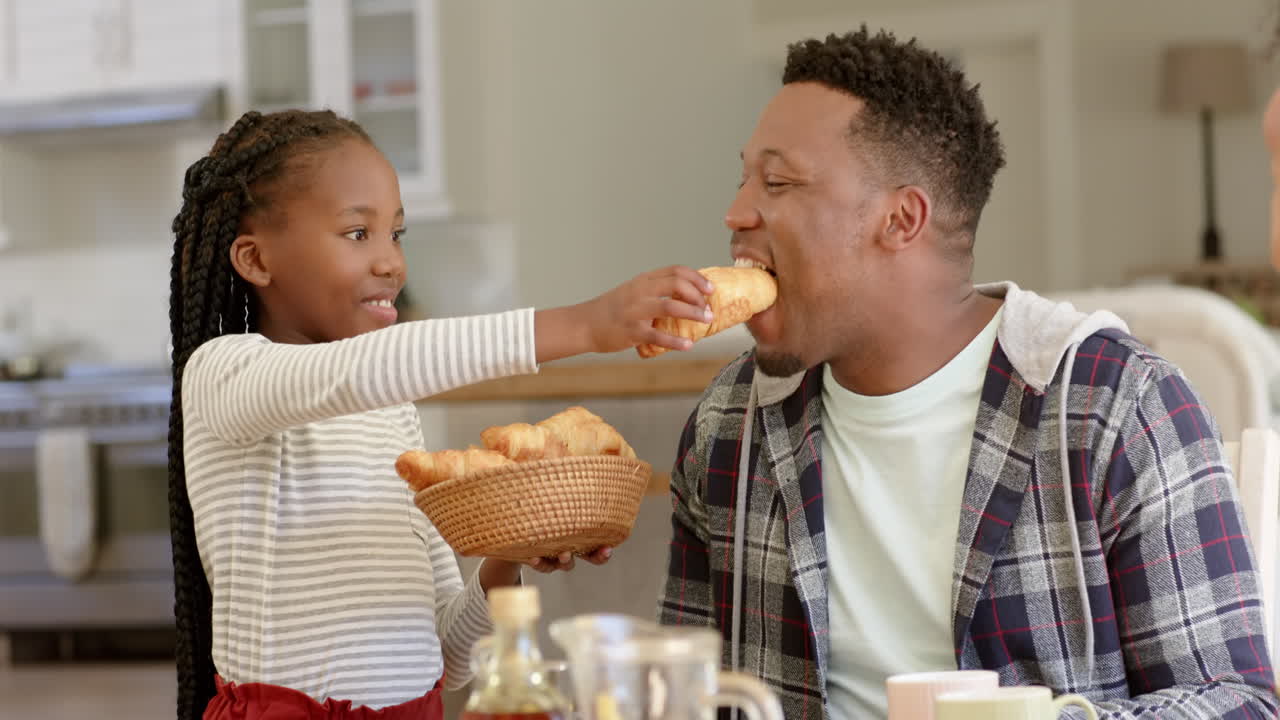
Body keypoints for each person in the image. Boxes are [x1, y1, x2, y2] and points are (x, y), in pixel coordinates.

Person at [660, 27, 1276, 719]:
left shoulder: (1116, 405)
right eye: (744, 178)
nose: (736, 211)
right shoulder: (729, 426)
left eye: (777, 182)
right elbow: (686, 702)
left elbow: (1238, 704)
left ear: (901, 219)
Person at [168, 108, 715, 720]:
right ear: (255, 260)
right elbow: (364, 368)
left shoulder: (392, 416)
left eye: (395, 234)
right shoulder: (224, 374)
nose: (390, 263)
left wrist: (508, 553)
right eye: (358, 234)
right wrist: (584, 323)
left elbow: (450, 657)